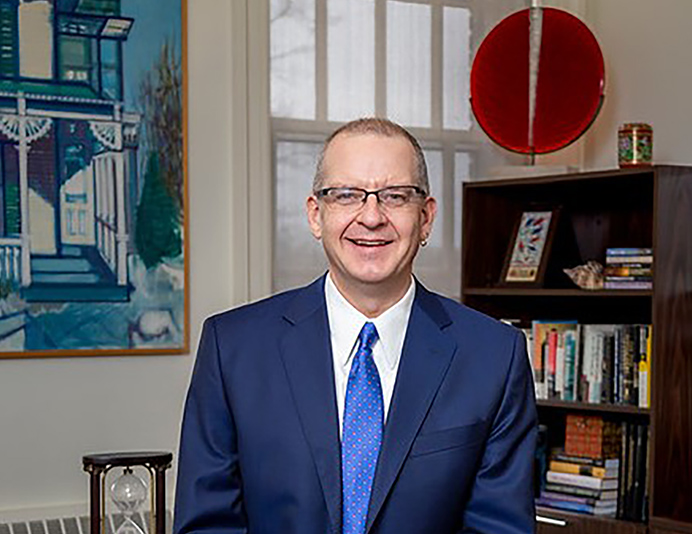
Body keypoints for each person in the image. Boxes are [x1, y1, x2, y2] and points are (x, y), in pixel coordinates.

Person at [174, 118, 537, 534]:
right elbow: (207, 525)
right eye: (346, 195)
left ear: (426, 218)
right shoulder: (233, 349)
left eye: (395, 197)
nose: (371, 217)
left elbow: (500, 529)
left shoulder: (494, 356)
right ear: (316, 215)